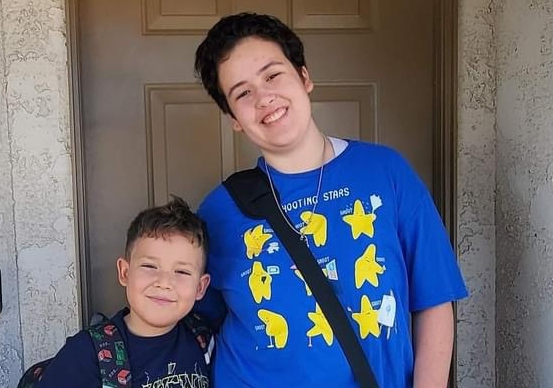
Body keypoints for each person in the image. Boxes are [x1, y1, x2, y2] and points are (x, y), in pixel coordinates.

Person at [194, 12, 468, 388]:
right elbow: (188, 317)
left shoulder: (385, 171)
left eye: (273, 75)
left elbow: (434, 298)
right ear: (234, 119)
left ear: (304, 76)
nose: (264, 97)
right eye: (242, 93)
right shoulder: (219, 211)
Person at [35, 196, 211, 387]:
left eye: (182, 271)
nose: (164, 282)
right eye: (150, 266)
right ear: (125, 272)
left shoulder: (203, 339)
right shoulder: (88, 355)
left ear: (200, 287)